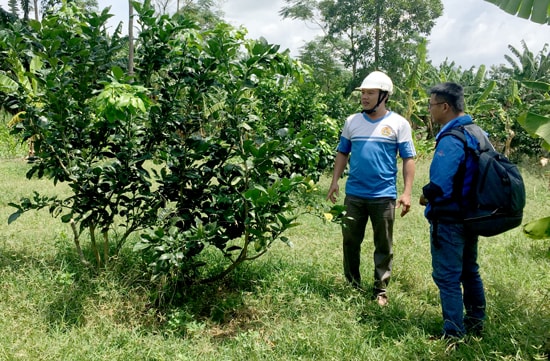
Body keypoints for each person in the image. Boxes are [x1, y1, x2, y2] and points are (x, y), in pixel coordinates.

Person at [326, 71, 416, 306]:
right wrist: (335, 181)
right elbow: (342, 152)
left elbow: (409, 158)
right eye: (363, 93)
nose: (364, 97)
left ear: (384, 96)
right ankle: (352, 284)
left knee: (383, 244)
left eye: (370, 93)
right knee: (350, 241)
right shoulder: (352, 122)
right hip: (354, 194)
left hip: (384, 196)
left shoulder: (398, 124)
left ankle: (380, 289)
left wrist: (407, 193)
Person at [419, 82, 486, 338]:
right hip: (472, 215)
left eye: (431, 105)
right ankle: (476, 323)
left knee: (447, 277)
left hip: (449, 219)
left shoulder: (452, 138)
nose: (430, 110)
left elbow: (439, 184)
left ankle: (453, 333)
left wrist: (425, 197)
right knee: (470, 270)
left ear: (445, 106)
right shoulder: (477, 132)